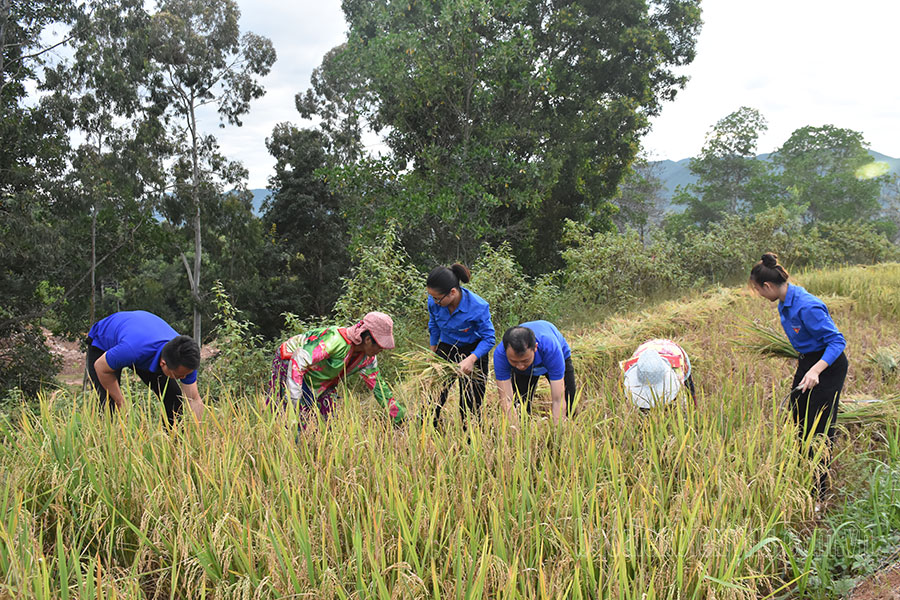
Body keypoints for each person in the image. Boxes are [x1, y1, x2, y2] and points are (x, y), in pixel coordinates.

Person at [750, 252, 847, 499]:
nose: (760, 296)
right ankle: (804, 468)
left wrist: (816, 370)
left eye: (759, 291)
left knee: (819, 426)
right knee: (798, 413)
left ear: (768, 286)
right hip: (808, 361)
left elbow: (837, 342)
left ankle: (820, 492)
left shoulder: (807, 306)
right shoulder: (784, 301)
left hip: (828, 365)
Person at [268, 311, 405, 427]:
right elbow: (299, 360)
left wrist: (400, 417)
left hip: (323, 377)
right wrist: (294, 401)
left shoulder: (368, 358)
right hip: (291, 364)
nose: (381, 350)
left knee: (329, 422)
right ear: (368, 339)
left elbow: (380, 388)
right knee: (294, 418)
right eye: (380, 346)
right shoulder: (335, 340)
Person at [85, 310, 204, 425]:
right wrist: (120, 401)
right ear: (163, 363)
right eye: (178, 375)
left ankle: (174, 441)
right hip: (103, 341)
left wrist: (201, 435)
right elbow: (100, 367)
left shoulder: (186, 358)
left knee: (174, 397)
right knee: (108, 403)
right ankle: (105, 442)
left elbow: (193, 399)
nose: (182, 377)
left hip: (142, 339)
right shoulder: (131, 350)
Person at [426, 264, 495, 429]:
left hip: (474, 349)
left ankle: (469, 436)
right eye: (431, 297)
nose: (434, 301)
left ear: (453, 292)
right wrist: (433, 351)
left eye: (437, 298)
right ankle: (429, 429)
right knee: (435, 394)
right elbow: (434, 324)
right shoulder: (434, 301)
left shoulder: (478, 307)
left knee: (471, 399)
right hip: (448, 346)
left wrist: (471, 359)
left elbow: (489, 338)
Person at [494, 321, 576, 424]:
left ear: (535, 348)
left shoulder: (551, 348)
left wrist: (558, 432)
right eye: (514, 361)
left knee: (568, 401)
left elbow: (558, 400)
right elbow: (506, 400)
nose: (520, 366)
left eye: (525, 360)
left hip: (555, 357)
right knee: (520, 405)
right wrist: (515, 433)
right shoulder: (500, 355)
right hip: (529, 368)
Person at [621, 339, 695, 410]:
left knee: (689, 389)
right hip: (646, 347)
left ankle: (695, 408)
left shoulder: (677, 371)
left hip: (673, 349)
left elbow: (681, 398)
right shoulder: (635, 366)